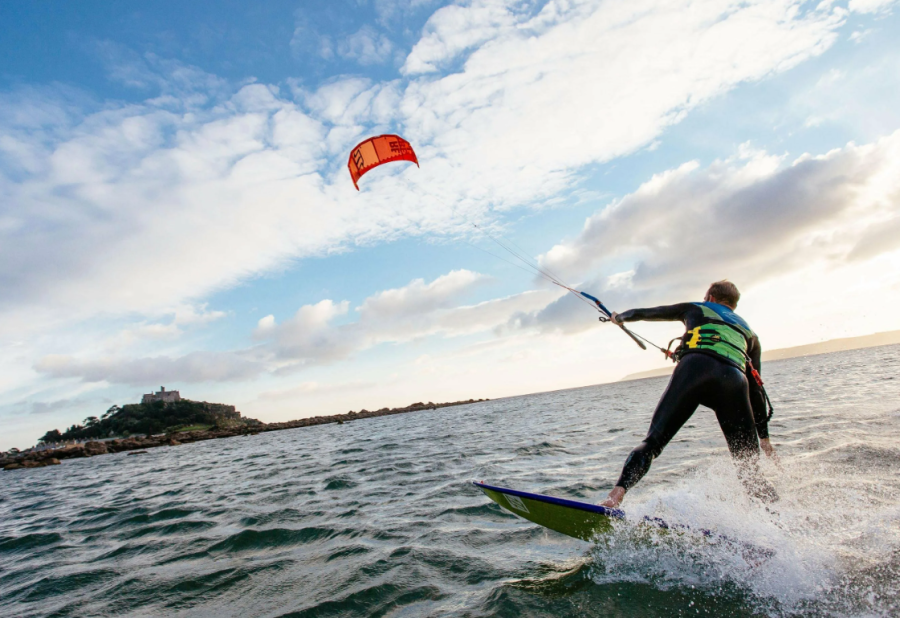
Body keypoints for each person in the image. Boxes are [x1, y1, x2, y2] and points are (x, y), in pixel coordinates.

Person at [600, 280, 777, 508]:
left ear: (711, 297)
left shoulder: (697, 308)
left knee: (653, 442)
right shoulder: (750, 334)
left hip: (695, 368)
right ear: (733, 304)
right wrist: (764, 437)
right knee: (748, 467)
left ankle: (614, 498)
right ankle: (776, 519)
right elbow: (756, 389)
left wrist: (620, 317)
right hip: (734, 381)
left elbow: (649, 312)